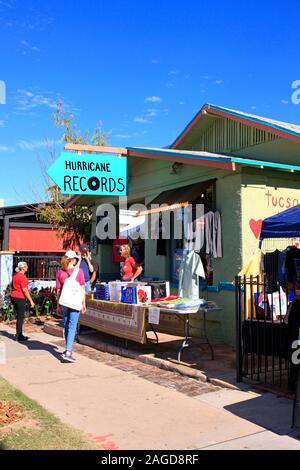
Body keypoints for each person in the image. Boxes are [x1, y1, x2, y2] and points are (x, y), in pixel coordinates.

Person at [56, 250, 86, 362]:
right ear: (73, 260)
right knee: (73, 325)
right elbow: (82, 288)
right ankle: (68, 351)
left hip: (64, 301)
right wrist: (84, 303)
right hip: (75, 301)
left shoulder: (60, 272)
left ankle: (67, 348)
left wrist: (58, 305)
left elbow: (58, 290)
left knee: (67, 324)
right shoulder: (79, 272)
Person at [11, 261, 35, 342]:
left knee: (18, 316)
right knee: (20, 317)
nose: (27, 267)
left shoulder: (15, 275)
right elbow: (25, 290)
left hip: (13, 296)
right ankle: (19, 335)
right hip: (20, 298)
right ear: (23, 268)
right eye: (26, 266)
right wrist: (31, 300)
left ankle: (18, 334)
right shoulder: (22, 277)